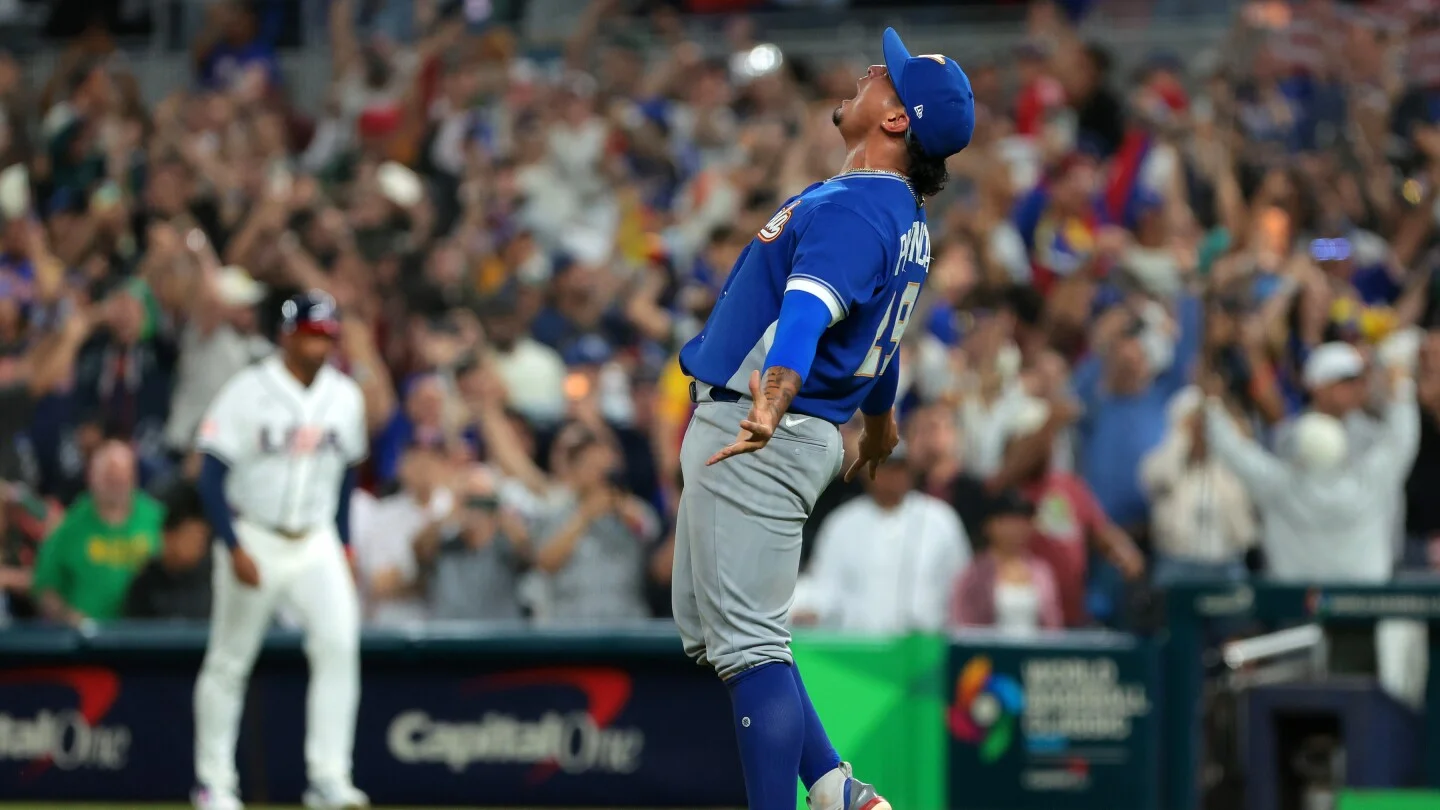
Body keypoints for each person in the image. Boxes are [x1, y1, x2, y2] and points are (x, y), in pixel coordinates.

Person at [672, 28, 974, 810]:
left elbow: (807, 315)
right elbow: (877, 341)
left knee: (750, 648)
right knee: (722, 635)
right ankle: (838, 788)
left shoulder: (857, 205)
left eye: (889, 76)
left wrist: (772, 400)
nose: (874, 71)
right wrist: (878, 421)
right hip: (783, 429)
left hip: (761, 428)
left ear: (898, 121)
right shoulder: (899, 214)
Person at [192, 291, 370, 810]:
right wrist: (232, 544)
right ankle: (214, 785)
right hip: (256, 535)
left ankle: (329, 778)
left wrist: (343, 542)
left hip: (315, 540)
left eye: (327, 336)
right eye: (312, 334)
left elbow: (345, 475)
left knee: (339, 648)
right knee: (228, 662)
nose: (321, 344)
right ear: (287, 336)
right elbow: (210, 474)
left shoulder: (345, 396)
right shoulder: (248, 391)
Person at [795, 442, 970, 633]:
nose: (892, 477)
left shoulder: (941, 518)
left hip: (925, 643)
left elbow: (961, 585)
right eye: (883, 468)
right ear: (867, 473)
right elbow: (825, 586)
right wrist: (812, 610)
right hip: (859, 645)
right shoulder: (843, 522)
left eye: (899, 469)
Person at [30, 440, 164, 625]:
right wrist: (68, 617)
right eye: (110, 478)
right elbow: (44, 585)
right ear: (92, 476)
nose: (117, 485)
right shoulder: (69, 525)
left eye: (123, 478)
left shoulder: (157, 519)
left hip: (147, 635)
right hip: (87, 643)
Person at [949, 489, 1063, 635]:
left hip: (1033, 653)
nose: (1016, 529)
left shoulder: (1042, 571)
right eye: (1008, 522)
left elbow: (1053, 625)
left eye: (1022, 521)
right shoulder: (973, 573)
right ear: (989, 525)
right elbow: (962, 623)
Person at [124, 482, 214, 620]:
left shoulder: (210, 581)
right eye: (193, 537)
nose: (200, 546)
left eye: (204, 539)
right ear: (169, 535)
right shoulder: (145, 585)